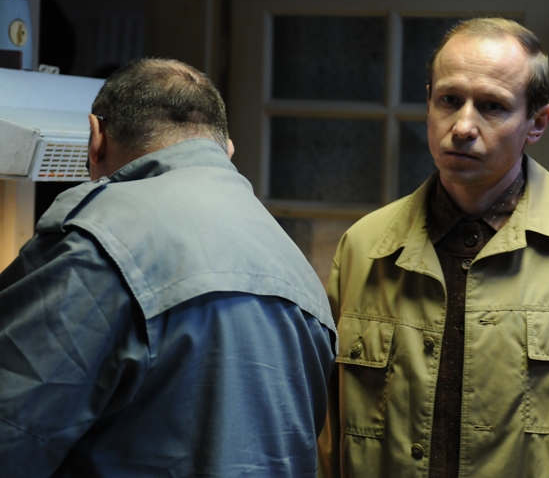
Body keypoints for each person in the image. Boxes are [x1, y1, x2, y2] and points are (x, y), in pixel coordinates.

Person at [318, 18, 549, 477]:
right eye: (449, 100)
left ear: (537, 123)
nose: (463, 126)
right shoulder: (363, 248)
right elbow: (327, 436)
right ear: (428, 103)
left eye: (492, 106)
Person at [0, 58, 337, 476]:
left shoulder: (98, 238)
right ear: (227, 150)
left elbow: (11, 434)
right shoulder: (301, 275)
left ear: (96, 137)